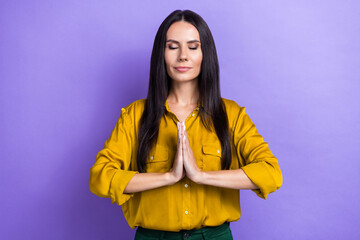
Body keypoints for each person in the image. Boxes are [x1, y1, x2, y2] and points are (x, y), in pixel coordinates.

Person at [89, 9, 282, 240]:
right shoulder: (134, 115)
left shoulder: (232, 115)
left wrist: (201, 176)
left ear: (205, 54)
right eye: (173, 46)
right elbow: (100, 177)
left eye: (193, 47)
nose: (183, 56)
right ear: (161, 54)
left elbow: (271, 173)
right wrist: (169, 176)